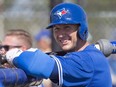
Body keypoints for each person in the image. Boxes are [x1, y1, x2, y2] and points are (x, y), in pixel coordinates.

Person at [5, 3, 112, 87]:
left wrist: (13, 55)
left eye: (67, 27)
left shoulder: (85, 61)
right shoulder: (87, 54)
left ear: (81, 29)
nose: (61, 34)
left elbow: (37, 64)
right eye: (57, 29)